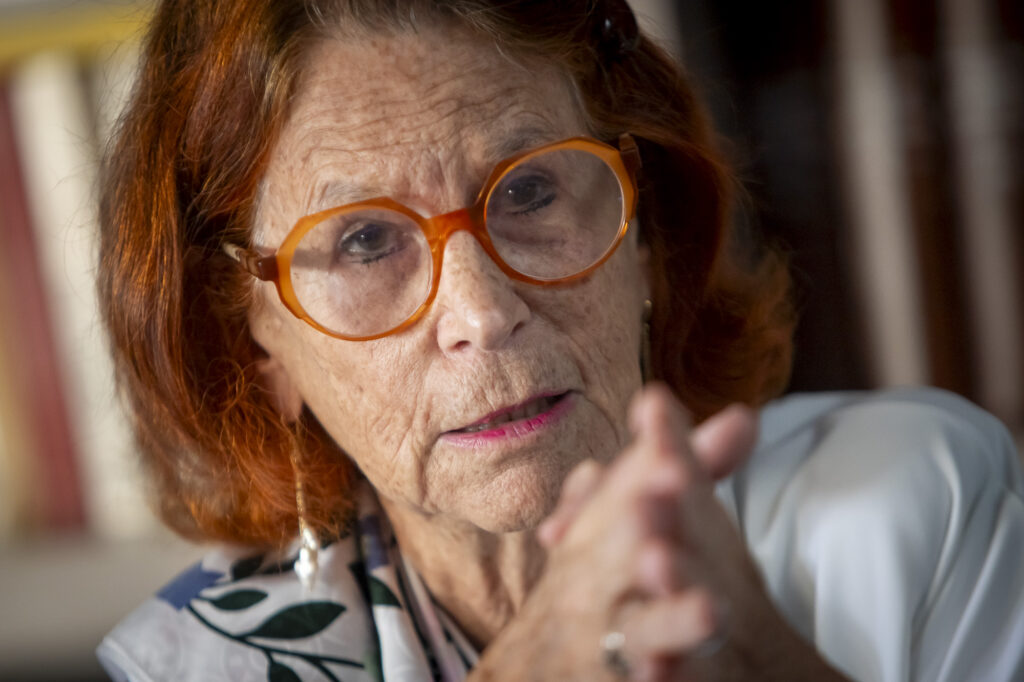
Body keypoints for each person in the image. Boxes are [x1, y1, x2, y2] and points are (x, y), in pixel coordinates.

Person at [95, 1, 1024, 680]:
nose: (482, 310)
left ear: (648, 231)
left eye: (532, 192)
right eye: (365, 241)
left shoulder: (913, 509)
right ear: (255, 339)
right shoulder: (192, 664)